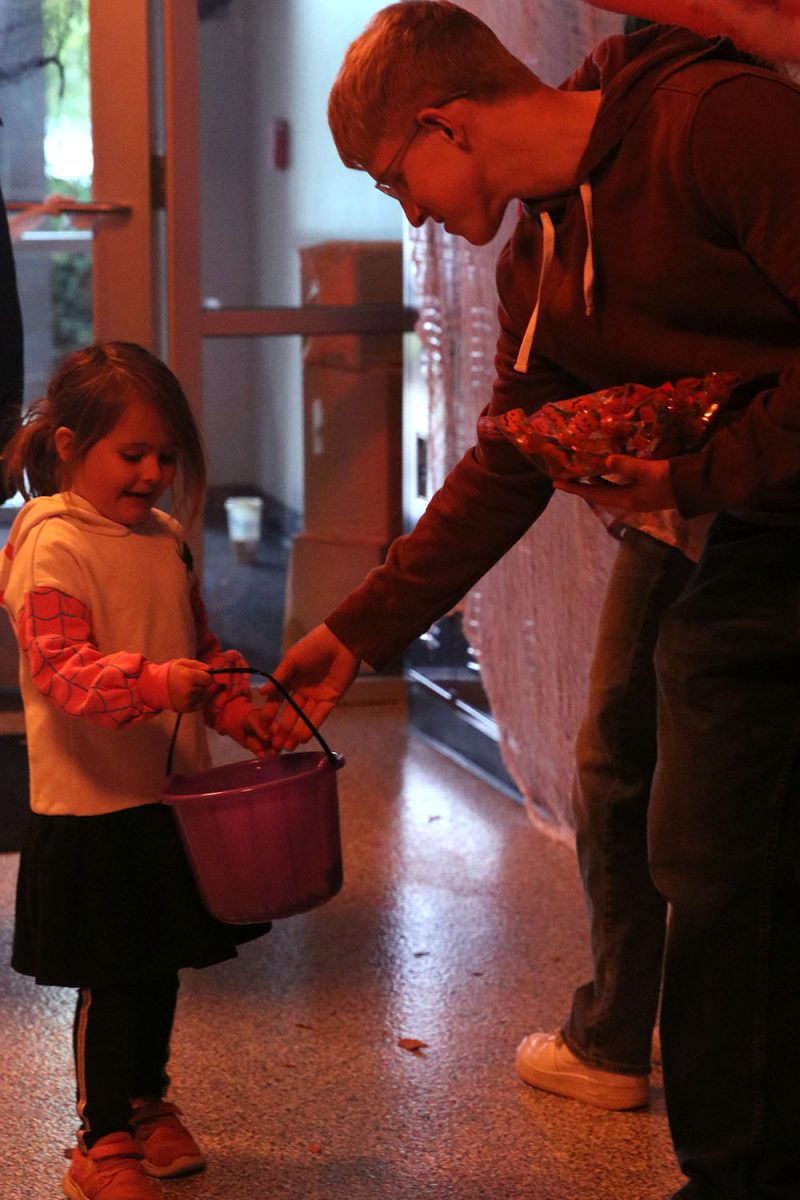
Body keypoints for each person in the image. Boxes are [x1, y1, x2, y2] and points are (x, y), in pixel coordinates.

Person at [262, 5, 800, 1197]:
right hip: (729, 518)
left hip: (754, 510)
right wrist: (356, 632)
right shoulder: (539, 261)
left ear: (445, 122)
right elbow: (504, 462)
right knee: (684, 825)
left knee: (709, 843)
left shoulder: (717, 124)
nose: (405, 212)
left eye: (396, 176)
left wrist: (700, 473)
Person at [0, 342, 272, 1200]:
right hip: (90, 805)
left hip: (167, 799)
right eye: (134, 454)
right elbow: (61, 668)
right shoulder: (48, 546)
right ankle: (99, 1139)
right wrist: (157, 685)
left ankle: (149, 1104)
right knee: (110, 974)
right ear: (71, 446)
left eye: (166, 456)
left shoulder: (164, 540)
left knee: (158, 964)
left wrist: (233, 706)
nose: (154, 472)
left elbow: (199, 648)